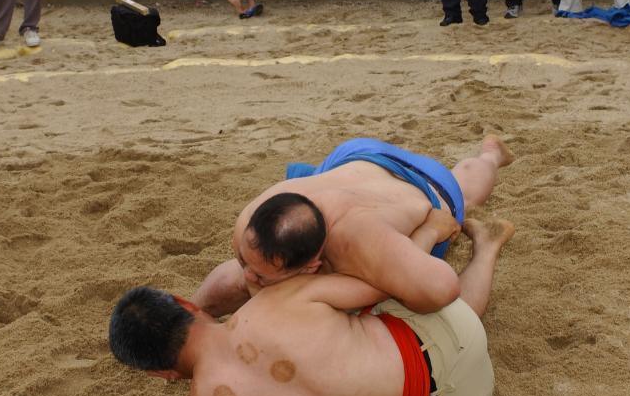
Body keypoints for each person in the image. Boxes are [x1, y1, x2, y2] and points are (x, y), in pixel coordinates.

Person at [110, 215, 512, 396]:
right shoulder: (272, 301)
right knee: (392, 305)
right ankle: (487, 247)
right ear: (186, 303)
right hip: (457, 343)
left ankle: (488, 246)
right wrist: (425, 232)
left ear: (161, 373)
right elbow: (381, 285)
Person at [192, 135, 513, 316]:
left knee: (466, 193)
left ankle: (490, 156)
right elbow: (249, 278)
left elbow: (441, 289)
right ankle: (193, 314)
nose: (247, 274)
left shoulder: (361, 244)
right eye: (245, 260)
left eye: (259, 274)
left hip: (426, 186)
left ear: (313, 266)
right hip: (351, 160)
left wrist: (428, 231)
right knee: (246, 281)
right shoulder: (250, 222)